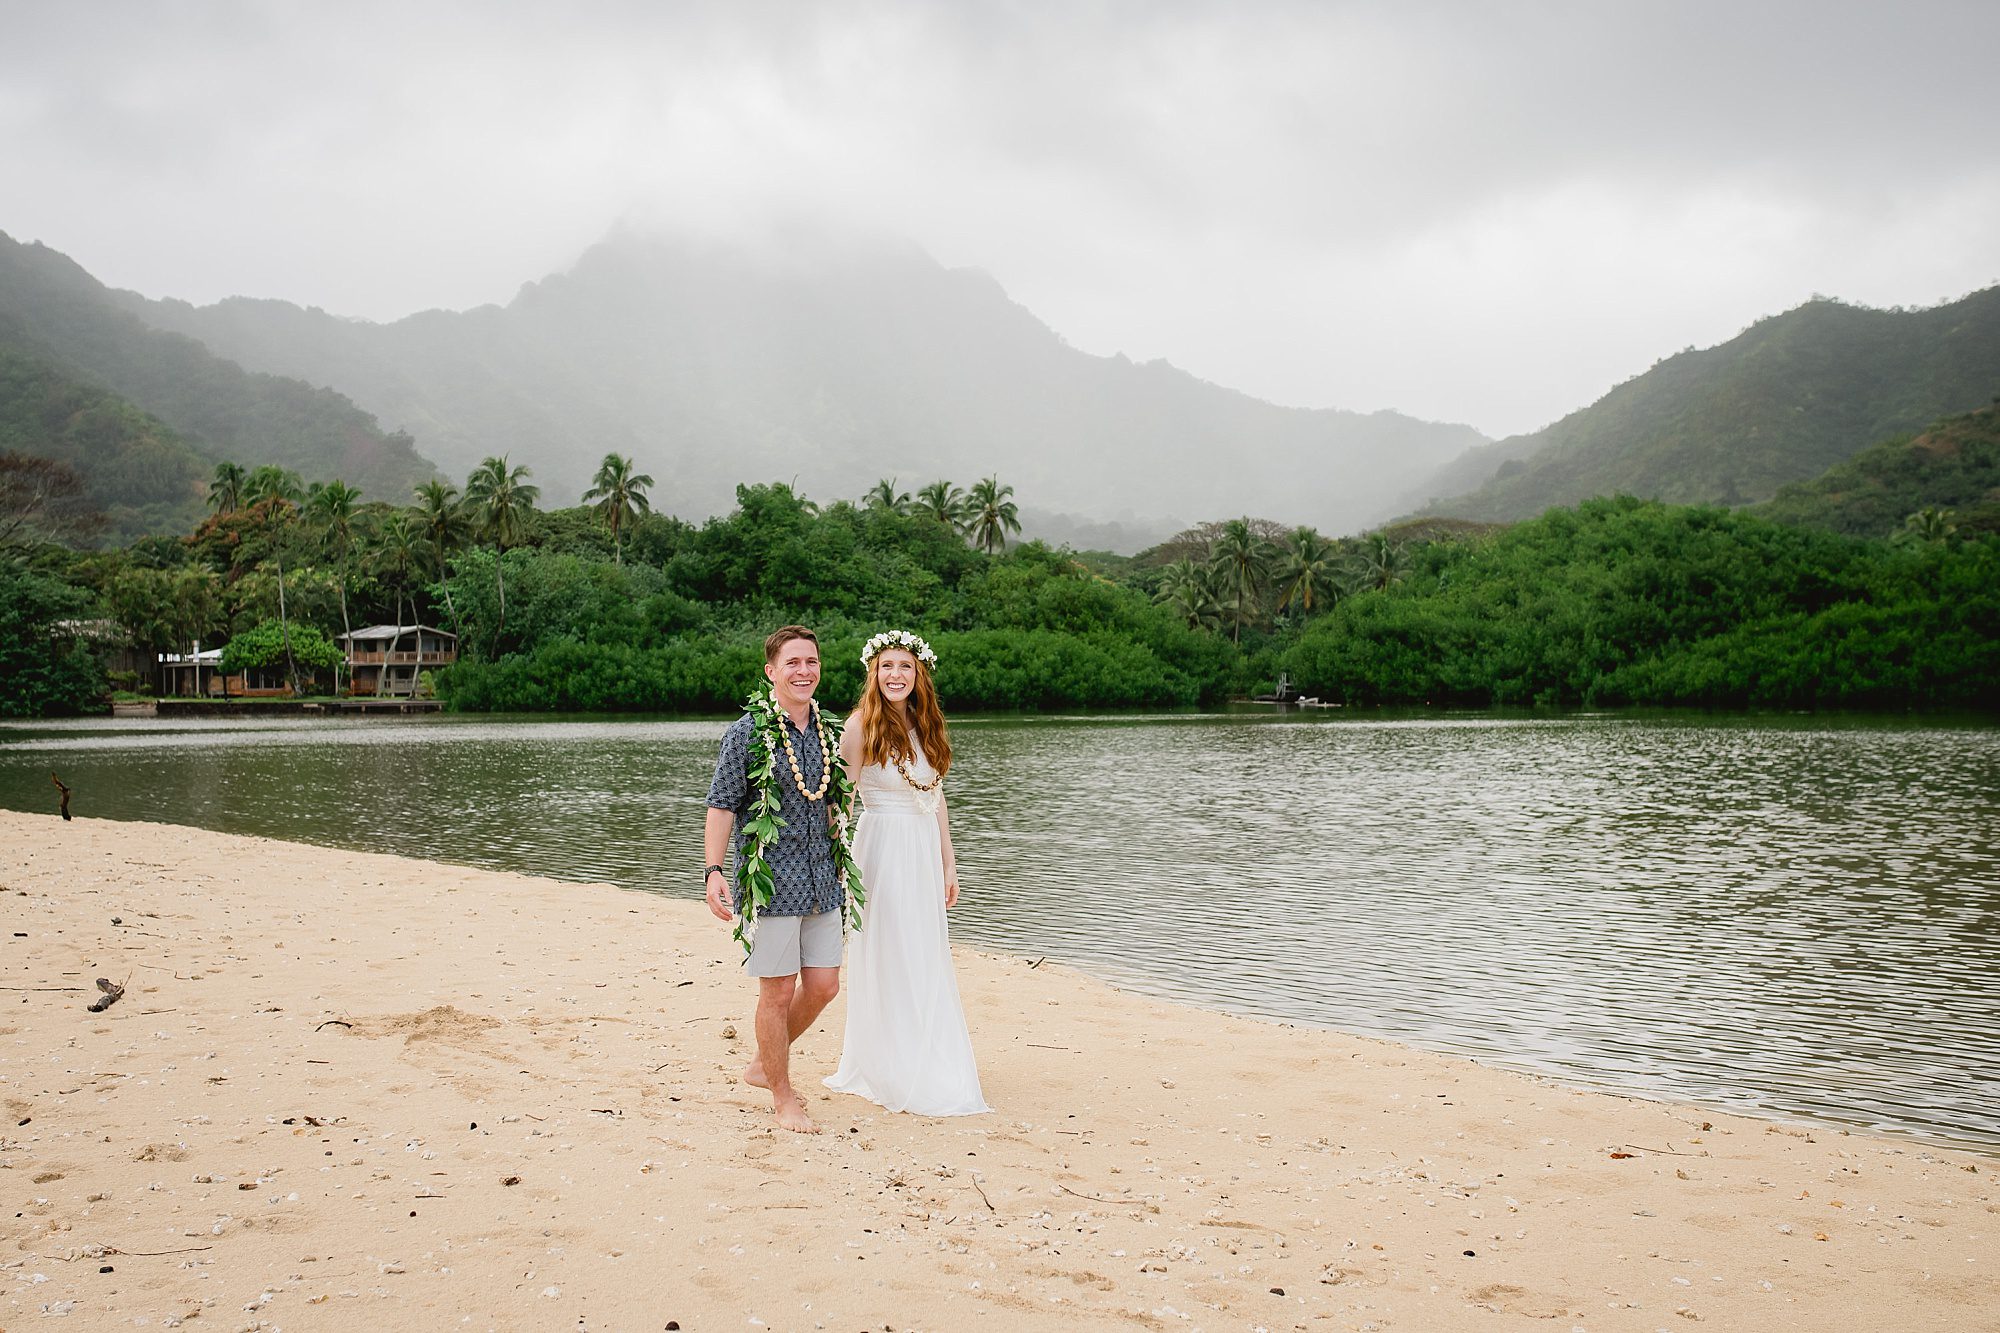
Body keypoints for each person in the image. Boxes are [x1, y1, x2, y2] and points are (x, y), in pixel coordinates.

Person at [824, 629, 989, 1116]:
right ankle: (886, 1062)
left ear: (920, 676)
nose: (896, 675)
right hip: (882, 848)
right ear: (873, 673)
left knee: (924, 950)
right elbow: (840, 803)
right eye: (887, 667)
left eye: (906, 668)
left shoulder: (926, 724)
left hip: (920, 848)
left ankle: (925, 1049)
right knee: (890, 949)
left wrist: (948, 862)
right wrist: (835, 862)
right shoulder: (858, 727)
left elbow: (933, 795)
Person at [704, 625, 850, 1134]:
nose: (804, 671)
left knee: (825, 986)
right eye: (792, 662)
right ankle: (782, 1094)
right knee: (777, 992)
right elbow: (722, 805)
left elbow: (833, 802)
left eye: (811, 661)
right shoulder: (747, 733)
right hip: (771, 880)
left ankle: (765, 1063)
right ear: (771, 671)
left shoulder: (829, 733)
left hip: (822, 880)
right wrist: (714, 871)